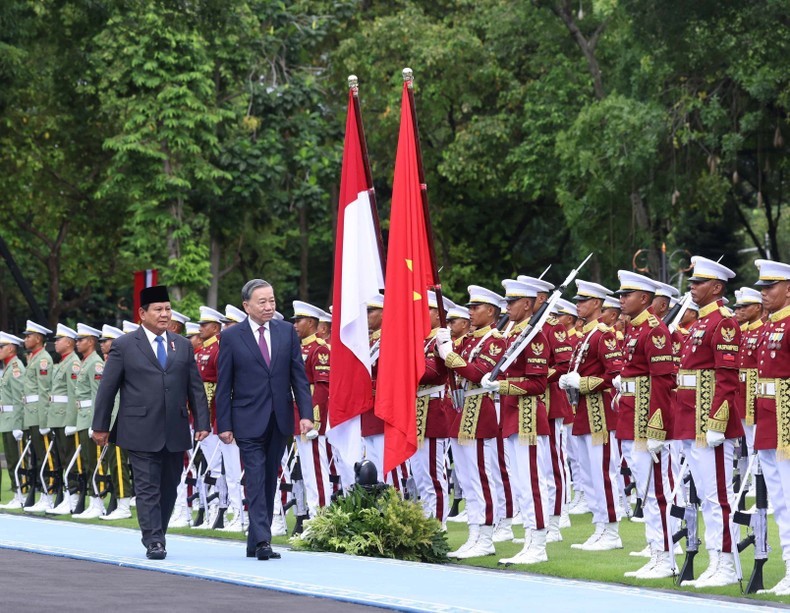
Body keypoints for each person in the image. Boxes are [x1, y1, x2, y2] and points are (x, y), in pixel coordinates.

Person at [92, 285, 210, 560]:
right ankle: (153, 540)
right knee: (147, 486)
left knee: (170, 485)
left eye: (167, 309)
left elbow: (195, 386)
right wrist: (101, 425)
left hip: (175, 427)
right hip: (139, 427)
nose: (165, 314)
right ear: (142, 313)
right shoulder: (123, 345)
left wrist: (202, 421)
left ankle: (159, 532)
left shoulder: (181, 344)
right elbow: (108, 388)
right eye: (158, 309)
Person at [215, 279, 313, 561]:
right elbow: (224, 384)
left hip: (279, 418)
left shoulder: (286, 332)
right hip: (246, 419)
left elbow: (298, 377)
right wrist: (224, 424)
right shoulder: (233, 337)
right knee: (255, 478)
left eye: (272, 301)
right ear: (247, 306)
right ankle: (263, 542)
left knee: (270, 479)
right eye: (263, 302)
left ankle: (255, 538)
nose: (269, 306)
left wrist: (305, 414)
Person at [676, 256, 743, 588]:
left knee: (718, 497)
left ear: (716, 288)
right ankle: (716, 560)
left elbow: (728, 378)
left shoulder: (724, 322)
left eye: (698, 282)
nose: (692, 287)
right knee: (705, 496)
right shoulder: (699, 323)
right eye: (692, 282)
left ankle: (725, 563)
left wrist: (717, 422)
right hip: (691, 417)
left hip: (710, 424)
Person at [436, 285, 507, 559]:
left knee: (480, 478)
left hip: (479, 410)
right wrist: (442, 345)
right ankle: (474, 532)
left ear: (490, 311)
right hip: (460, 410)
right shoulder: (468, 341)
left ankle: (486, 536)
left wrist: (448, 354)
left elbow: (478, 373)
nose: (470, 311)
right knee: (466, 479)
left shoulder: (495, 341)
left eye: (476, 307)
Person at [615, 271, 676, 579]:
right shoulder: (634, 329)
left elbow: (663, 382)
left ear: (644, 299)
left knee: (655, 493)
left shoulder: (654, 330)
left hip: (644, 422)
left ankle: (665, 557)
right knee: (644, 492)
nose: (621, 299)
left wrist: (656, 429)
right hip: (629, 416)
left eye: (627, 294)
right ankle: (655, 553)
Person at [560, 280, 623, 552]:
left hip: (600, 414)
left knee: (602, 474)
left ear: (597, 304)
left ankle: (611, 530)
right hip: (583, 412)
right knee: (588, 474)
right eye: (577, 300)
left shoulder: (603, 335)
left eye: (583, 301)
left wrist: (581, 383)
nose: (578, 305)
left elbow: (614, 375)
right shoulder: (585, 335)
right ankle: (600, 526)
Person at [752, 258, 790, 595]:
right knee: (779, 500)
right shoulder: (766, 327)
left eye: (771, 287)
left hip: (787, 423)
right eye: (762, 288)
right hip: (767, 420)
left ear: (789, 289)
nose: (764, 293)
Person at [45, 324, 82, 515]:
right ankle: (67, 495)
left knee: (70, 459)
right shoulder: (63, 362)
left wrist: (72, 421)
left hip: (65, 418)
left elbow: (74, 394)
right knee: (61, 459)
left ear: (69, 342)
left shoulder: (73, 363)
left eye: (59, 339)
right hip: (57, 417)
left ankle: (73, 496)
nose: (55, 343)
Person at [21, 321, 54, 512]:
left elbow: (44, 392)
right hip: (31, 413)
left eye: (28, 336)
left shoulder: (43, 359)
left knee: (45, 457)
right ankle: (42, 492)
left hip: (38, 413)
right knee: (36, 456)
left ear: (38, 339)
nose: (25, 339)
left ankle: (48, 494)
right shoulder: (34, 358)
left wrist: (44, 420)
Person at [0, 332, 27, 509]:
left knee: (18, 460)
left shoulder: (16, 368)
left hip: (14, 420)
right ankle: (17, 492)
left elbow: (19, 398)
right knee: (11, 459)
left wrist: (18, 425)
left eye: (1, 347)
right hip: (6, 419)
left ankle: (22, 493)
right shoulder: (8, 367)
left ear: (11, 348)